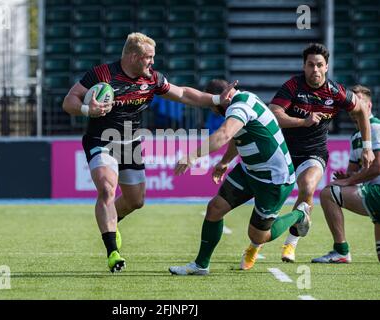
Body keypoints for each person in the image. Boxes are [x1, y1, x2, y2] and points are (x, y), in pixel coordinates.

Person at [62, 32, 236, 273]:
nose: (152, 62)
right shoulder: (102, 74)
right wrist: (85, 109)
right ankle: (113, 251)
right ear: (134, 57)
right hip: (101, 140)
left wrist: (217, 97)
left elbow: (184, 93)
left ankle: (112, 223)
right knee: (107, 189)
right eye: (149, 57)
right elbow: (68, 100)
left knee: (136, 201)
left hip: (130, 143)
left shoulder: (152, 79)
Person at [169, 85, 311, 275]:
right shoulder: (241, 102)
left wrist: (193, 156)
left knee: (258, 236)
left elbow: (224, 134)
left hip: (274, 179)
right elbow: (238, 136)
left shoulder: (240, 106)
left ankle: (299, 214)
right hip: (249, 170)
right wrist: (225, 161)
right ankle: (201, 265)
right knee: (215, 208)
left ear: (224, 97)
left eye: (215, 105)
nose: (215, 110)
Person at [268, 43, 375, 263]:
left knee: (308, 187)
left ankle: (290, 244)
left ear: (326, 67)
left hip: (314, 153)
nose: (315, 69)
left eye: (319, 65)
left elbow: (361, 110)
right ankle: (256, 243)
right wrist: (302, 121)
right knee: (272, 198)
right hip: (285, 152)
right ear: (304, 66)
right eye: (310, 65)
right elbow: (274, 114)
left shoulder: (335, 91)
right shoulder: (293, 86)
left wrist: (366, 146)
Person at [313, 85, 380, 263]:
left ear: (369, 106)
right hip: (373, 193)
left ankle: (341, 251)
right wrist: (346, 178)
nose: (354, 107)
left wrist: (349, 180)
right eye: (353, 102)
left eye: (360, 102)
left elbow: (377, 167)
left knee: (328, 194)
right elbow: (353, 171)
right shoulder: (356, 136)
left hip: (377, 192)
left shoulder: (375, 128)